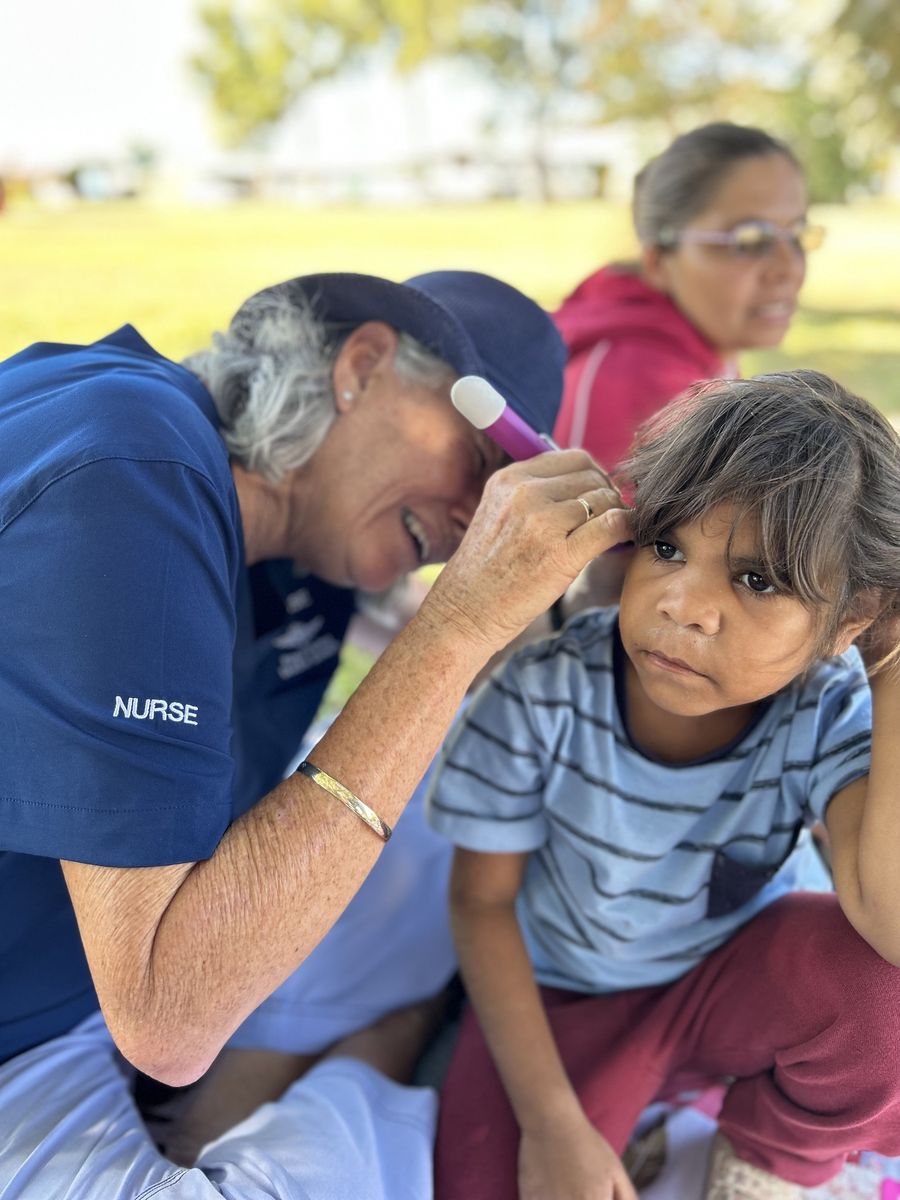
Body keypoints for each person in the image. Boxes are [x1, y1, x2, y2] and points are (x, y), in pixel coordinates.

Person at [0, 269, 622, 1199]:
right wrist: (450, 630)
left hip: (73, 969)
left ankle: (371, 1045)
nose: (470, 524)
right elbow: (167, 1021)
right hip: (44, 1024)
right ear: (362, 366)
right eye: (480, 464)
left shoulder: (298, 538)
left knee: (469, 827)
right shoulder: (136, 471)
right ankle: (375, 1076)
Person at [428, 370, 900, 1199]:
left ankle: (764, 1167)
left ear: (850, 621)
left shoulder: (825, 707)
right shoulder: (546, 690)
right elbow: (481, 903)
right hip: (568, 1002)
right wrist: (553, 1122)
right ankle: (632, 1110)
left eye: (757, 581)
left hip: (724, 995)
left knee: (877, 1000)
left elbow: (891, 926)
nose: (683, 605)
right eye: (668, 547)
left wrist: (892, 664)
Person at [553, 123, 822, 471]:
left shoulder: (702, 352)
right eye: (750, 240)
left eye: (797, 235)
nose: (789, 268)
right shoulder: (631, 377)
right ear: (659, 261)